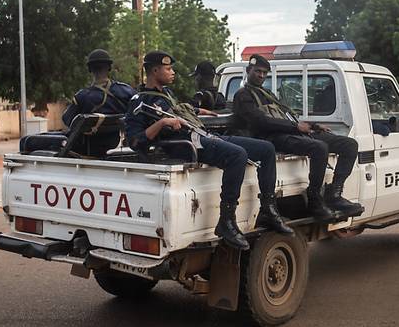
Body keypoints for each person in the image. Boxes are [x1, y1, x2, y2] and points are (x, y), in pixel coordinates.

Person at [125, 50, 292, 250]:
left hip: (200, 136)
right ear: (154, 70)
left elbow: (178, 110)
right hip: (183, 146)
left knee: (266, 149)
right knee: (237, 155)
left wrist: (198, 110)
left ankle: (267, 208)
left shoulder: (166, 94)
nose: (172, 72)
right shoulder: (139, 101)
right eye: (168, 69)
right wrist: (161, 123)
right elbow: (134, 141)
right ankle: (227, 221)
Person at [232, 54, 364, 219]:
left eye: (264, 73)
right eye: (257, 71)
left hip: (289, 131)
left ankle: (334, 194)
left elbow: (288, 115)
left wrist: (314, 126)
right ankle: (315, 199)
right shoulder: (243, 95)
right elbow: (259, 121)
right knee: (319, 148)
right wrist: (296, 127)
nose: (261, 75)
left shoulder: (266, 93)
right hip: (271, 137)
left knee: (349, 145)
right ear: (248, 70)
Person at [62, 48, 135, 127]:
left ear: (90, 69)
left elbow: (67, 120)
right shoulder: (127, 91)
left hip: (91, 139)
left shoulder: (81, 97)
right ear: (109, 68)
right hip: (121, 138)